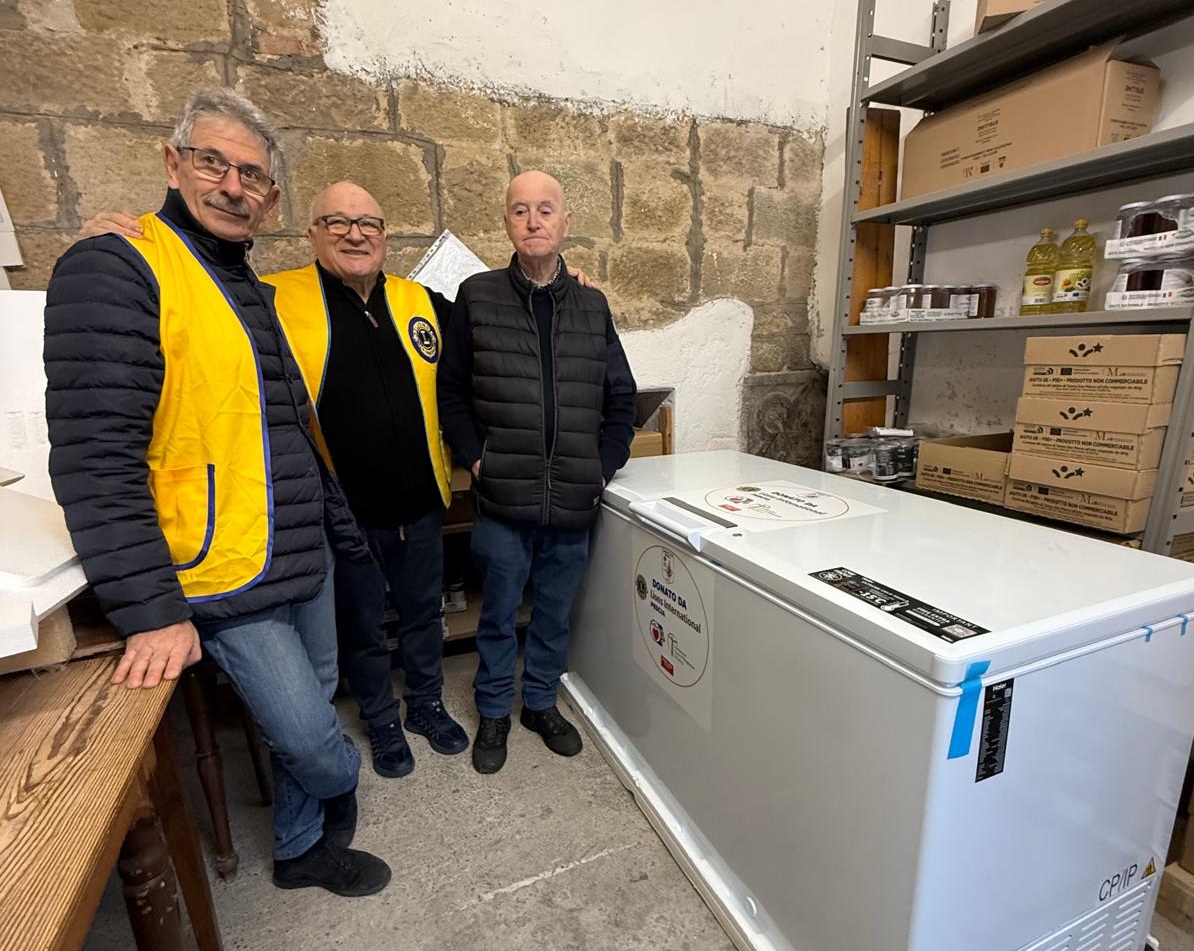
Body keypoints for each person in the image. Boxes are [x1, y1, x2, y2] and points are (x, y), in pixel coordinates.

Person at [44, 87, 390, 897]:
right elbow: (96, 455)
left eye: (252, 175)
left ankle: (301, 847)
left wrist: (337, 535)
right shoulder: (118, 264)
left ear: (270, 198)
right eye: (213, 163)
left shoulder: (241, 282)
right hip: (222, 568)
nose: (233, 186)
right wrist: (151, 609)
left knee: (313, 700)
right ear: (173, 163)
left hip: (300, 547)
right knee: (308, 734)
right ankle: (340, 780)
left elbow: (283, 428)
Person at [437, 170, 638, 775]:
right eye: (520, 210)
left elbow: (621, 398)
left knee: (553, 611)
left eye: (545, 210)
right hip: (503, 498)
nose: (533, 221)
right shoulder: (477, 297)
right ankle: (494, 709)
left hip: (573, 499)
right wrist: (477, 457)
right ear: (507, 222)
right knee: (499, 614)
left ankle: (541, 703)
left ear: (565, 222)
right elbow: (451, 392)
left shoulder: (592, 305)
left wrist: (601, 467)